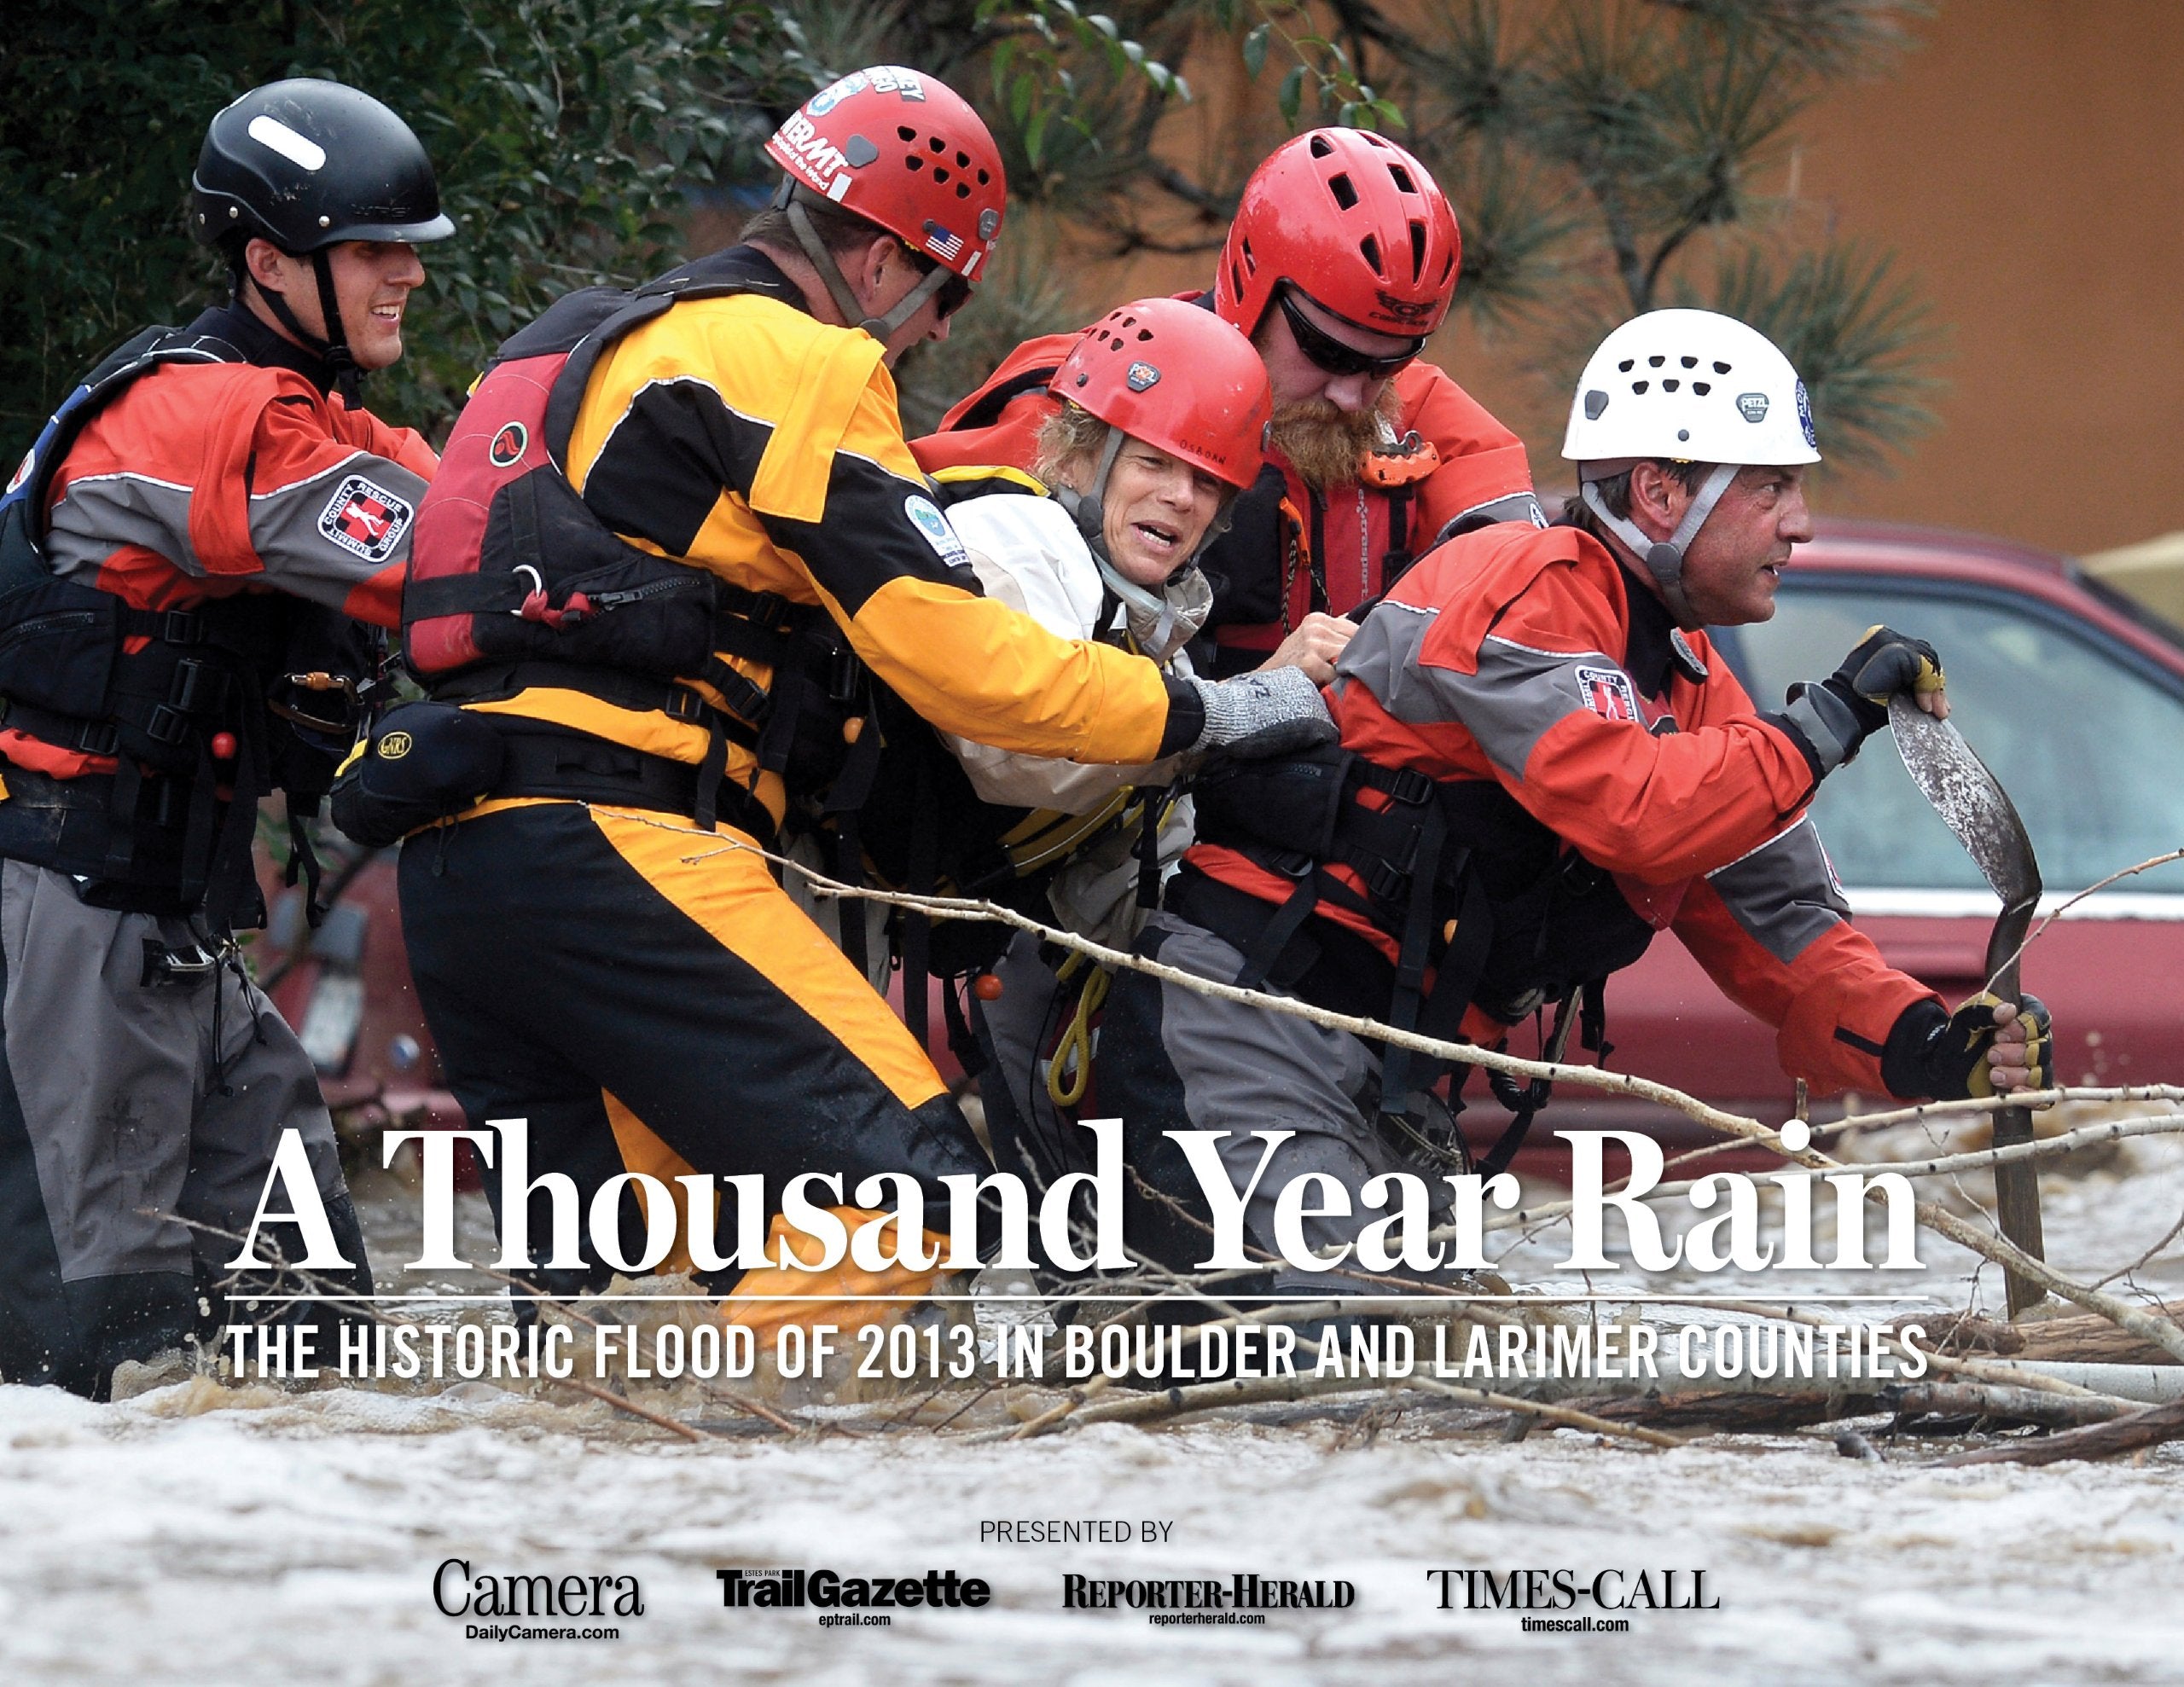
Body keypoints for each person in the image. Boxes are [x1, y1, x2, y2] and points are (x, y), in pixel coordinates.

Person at [384, 67, 1329, 1329]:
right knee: (918, 1206)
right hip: (622, 844)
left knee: (628, 1294)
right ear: (886, 265)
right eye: (944, 295)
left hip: (461, 861)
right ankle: (755, 1501)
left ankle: (608, 1515)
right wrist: (1218, 713)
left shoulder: (591, 335)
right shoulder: (800, 358)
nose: (935, 333)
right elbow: (961, 662)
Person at [1093, 307, 2053, 1288]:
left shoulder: (1692, 686)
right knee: (1328, 1372)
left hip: (1380, 1083)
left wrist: (1928, 1045)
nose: (1799, 523)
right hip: (1240, 1028)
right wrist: (1831, 718)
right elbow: (1633, 805)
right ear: (1659, 491)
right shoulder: (1516, 583)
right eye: (1773, 489)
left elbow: (1789, 933)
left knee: (1441, 1388)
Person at [0, 79, 453, 1396]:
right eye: (374, 253)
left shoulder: (297, 414)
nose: (404, 280)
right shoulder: (206, 422)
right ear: (271, 261)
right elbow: (447, 557)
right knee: (93, 1354)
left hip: (182, 947)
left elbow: (454, 484)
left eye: (408, 255)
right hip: (66, 926)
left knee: (312, 1340)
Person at [914, 127, 1546, 683]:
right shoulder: (1085, 401)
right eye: (1330, 351)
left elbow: (1531, 584)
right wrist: (1253, 697)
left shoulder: (1407, 407)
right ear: (1251, 287)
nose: (1356, 394)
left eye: (1391, 360)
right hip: (1129, 787)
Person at [912, 298, 1274, 1189]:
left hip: (1017, 938)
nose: (1180, 498)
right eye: (1153, 461)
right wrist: (1229, 716)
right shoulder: (1016, 536)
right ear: (1079, 454)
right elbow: (1021, 754)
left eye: (1205, 481)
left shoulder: (1142, 602)